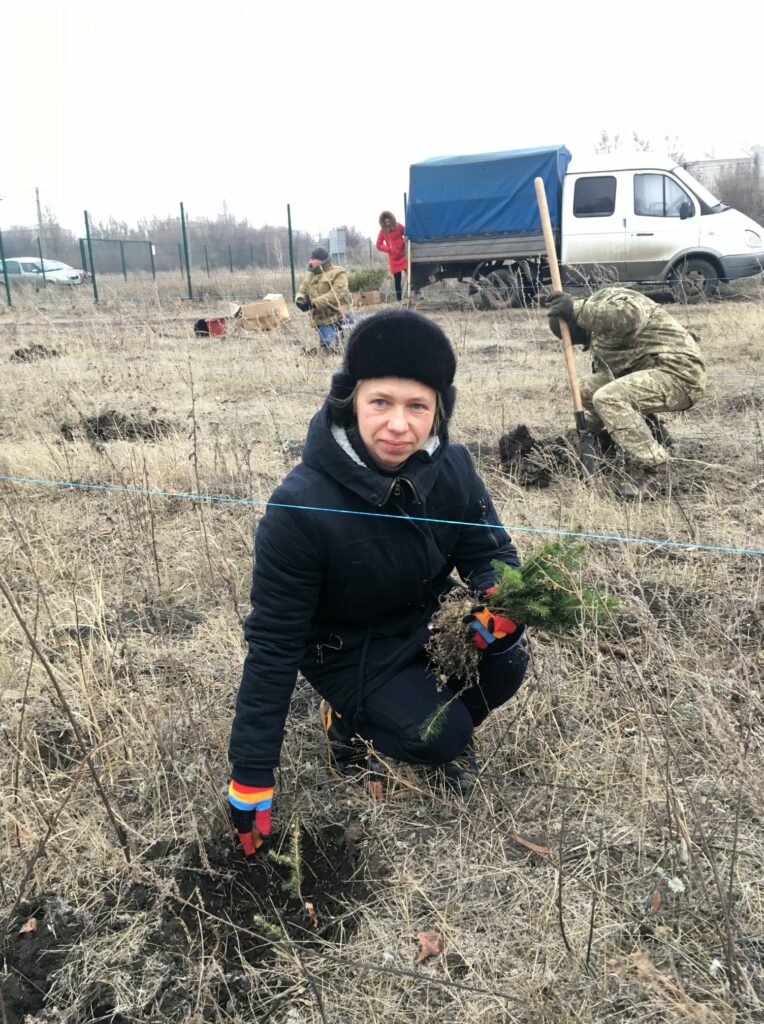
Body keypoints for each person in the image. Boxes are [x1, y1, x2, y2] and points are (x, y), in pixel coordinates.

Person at [227, 309, 529, 852]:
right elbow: (273, 643)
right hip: (346, 651)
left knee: (510, 657)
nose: (399, 425)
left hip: (425, 621)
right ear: (352, 401)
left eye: (418, 406)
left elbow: (489, 554)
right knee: (441, 733)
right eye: (381, 403)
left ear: (438, 411)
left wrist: (499, 601)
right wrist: (252, 771)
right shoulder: (299, 506)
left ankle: (420, 711)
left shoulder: (453, 467)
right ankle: (347, 722)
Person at [546, 286, 706, 498]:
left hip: (679, 373)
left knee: (609, 398)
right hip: (651, 373)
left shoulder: (611, 300)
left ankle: (658, 470)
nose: (587, 345)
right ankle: (651, 435)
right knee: (582, 389)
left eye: (583, 340)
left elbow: (630, 317)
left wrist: (578, 310)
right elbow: (608, 382)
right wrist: (586, 436)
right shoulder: (601, 341)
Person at [295, 246, 354, 348]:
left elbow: (336, 294)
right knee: (330, 346)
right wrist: (299, 300)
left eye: (314, 260)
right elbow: (302, 291)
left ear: (322, 262)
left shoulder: (339, 273)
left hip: (342, 316)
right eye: (311, 259)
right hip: (323, 320)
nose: (310, 262)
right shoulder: (310, 274)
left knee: (353, 343)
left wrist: (313, 303)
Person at [376, 211, 408, 301]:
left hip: (404, 256)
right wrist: (388, 249)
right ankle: (399, 299)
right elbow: (378, 245)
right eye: (385, 222)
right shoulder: (382, 232)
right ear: (383, 223)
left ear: (392, 219)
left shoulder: (398, 226)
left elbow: (407, 233)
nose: (388, 223)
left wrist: (404, 241)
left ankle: (417, 293)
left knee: (411, 276)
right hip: (394, 259)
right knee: (397, 280)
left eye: (389, 221)